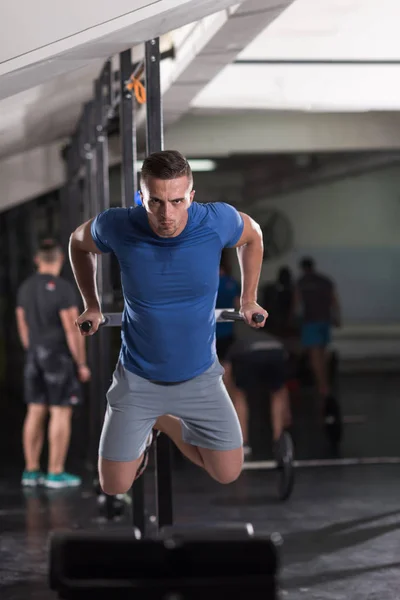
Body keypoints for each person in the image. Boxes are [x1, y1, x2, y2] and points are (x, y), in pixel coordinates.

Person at [69, 150, 268, 496]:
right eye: (155, 202)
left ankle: (163, 422)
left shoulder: (215, 221)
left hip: (201, 377)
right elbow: (77, 243)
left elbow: (254, 235)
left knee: (228, 472)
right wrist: (92, 304)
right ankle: (150, 419)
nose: (167, 214)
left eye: (177, 201)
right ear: (140, 196)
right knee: (114, 486)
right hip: (138, 378)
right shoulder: (118, 224)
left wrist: (247, 298)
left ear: (191, 196)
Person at [16, 239, 91, 488]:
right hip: (57, 356)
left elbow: (23, 326)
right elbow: (72, 330)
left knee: (35, 410)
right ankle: (55, 472)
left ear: (38, 260)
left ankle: (31, 470)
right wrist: (81, 363)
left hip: (34, 354)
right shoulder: (63, 288)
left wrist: (34, 350)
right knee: (60, 411)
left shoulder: (25, 288)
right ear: (60, 260)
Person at [224, 328, 292, 464]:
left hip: (249, 354)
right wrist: (287, 411)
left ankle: (243, 444)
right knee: (276, 393)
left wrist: (229, 394)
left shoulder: (236, 345)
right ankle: (278, 440)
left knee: (239, 395)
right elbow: (283, 387)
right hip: (276, 353)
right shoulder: (274, 340)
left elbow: (226, 371)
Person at [293, 257, 341, 430]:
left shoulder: (301, 282)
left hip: (310, 322)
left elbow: (297, 304)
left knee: (315, 357)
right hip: (324, 321)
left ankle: (322, 386)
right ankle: (325, 382)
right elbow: (334, 300)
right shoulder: (325, 280)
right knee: (322, 353)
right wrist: (337, 317)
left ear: (302, 268)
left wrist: (293, 321)